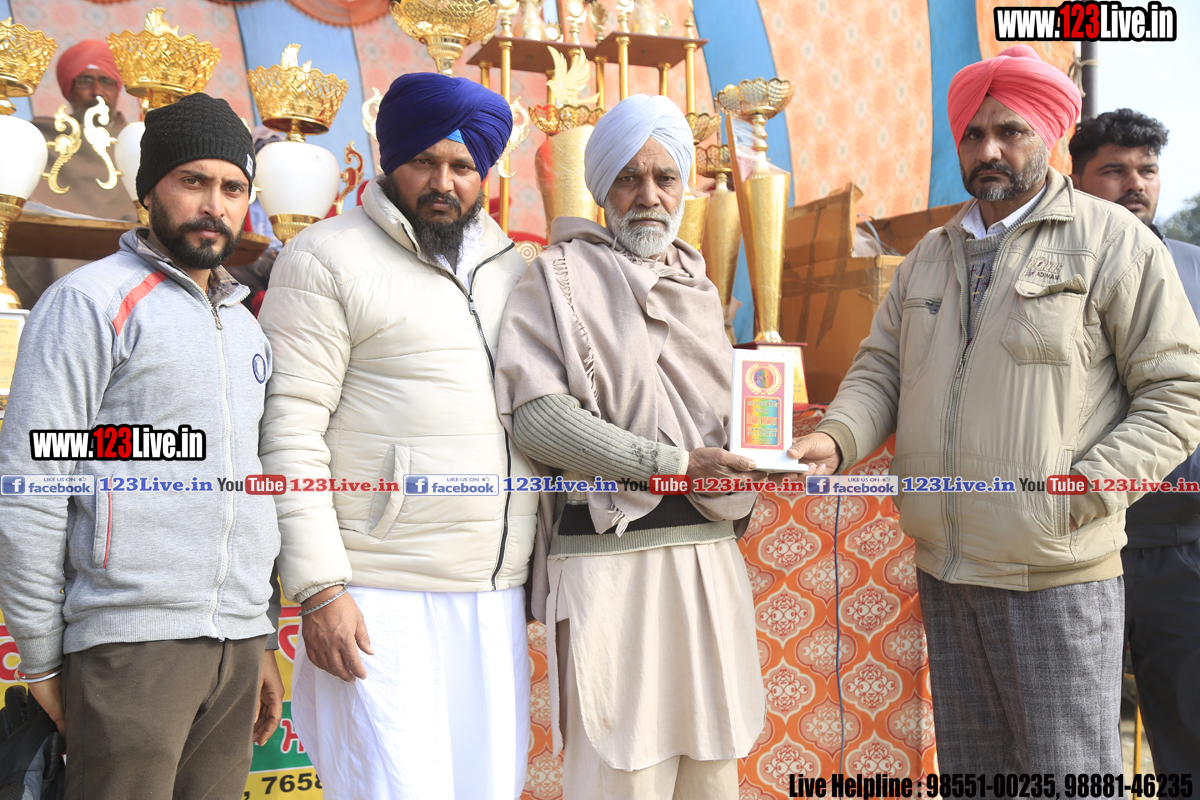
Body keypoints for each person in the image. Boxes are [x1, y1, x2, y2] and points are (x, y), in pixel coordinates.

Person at [789, 46, 1200, 775]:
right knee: (976, 776)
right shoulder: (929, 254)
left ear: (1049, 136)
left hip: (1055, 570)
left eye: (1011, 131)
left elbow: (1177, 392)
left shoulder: (1114, 242)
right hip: (948, 570)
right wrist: (837, 437)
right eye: (973, 134)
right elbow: (881, 369)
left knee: (1068, 773)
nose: (989, 150)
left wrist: (1081, 493)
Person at [256, 72, 538, 800]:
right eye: (424, 161)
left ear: (484, 171)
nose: (443, 183)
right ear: (391, 159)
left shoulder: (512, 268)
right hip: (377, 593)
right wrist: (319, 589)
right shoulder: (323, 257)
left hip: (491, 593)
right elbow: (287, 429)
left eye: (463, 166)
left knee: (487, 786)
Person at [0, 92, 283, 799]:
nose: (214, 205)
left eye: (233, 188)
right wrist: (40, 660)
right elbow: (33, 483)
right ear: (149, 189)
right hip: (130, 644)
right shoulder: (90, 302)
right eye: (193, 181)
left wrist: (259, 635)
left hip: (236, 646)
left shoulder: (246, 327)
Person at [494, 94, 768, 800]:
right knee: (623, 774)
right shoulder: (554, 277)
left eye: (665, 177)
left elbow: (726, 426)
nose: (649, 196)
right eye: (628, 177)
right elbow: (539, 420)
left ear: (685, 187)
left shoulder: (699, 287)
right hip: (609, 566)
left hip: (708, 562)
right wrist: (671, 467)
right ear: (601, 188)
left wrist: (765, 454)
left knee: (713, 768)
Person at [1070, 108, 1200, 771]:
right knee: (1068, 736)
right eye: (1114, 170)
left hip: (1181, 547)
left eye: (1146, 170)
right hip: (1072, 542)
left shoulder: (1195, 269)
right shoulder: (1046, 273)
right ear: (1076, 180)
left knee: (1187, 726)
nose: (1135, 184)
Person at [6, 40, 136, 309]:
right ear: (69, 89)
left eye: (106, 81)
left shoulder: (137, 143)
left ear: (117, 88)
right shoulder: (37, 137)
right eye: (85, 80)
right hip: (51, 257)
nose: (97, 91)